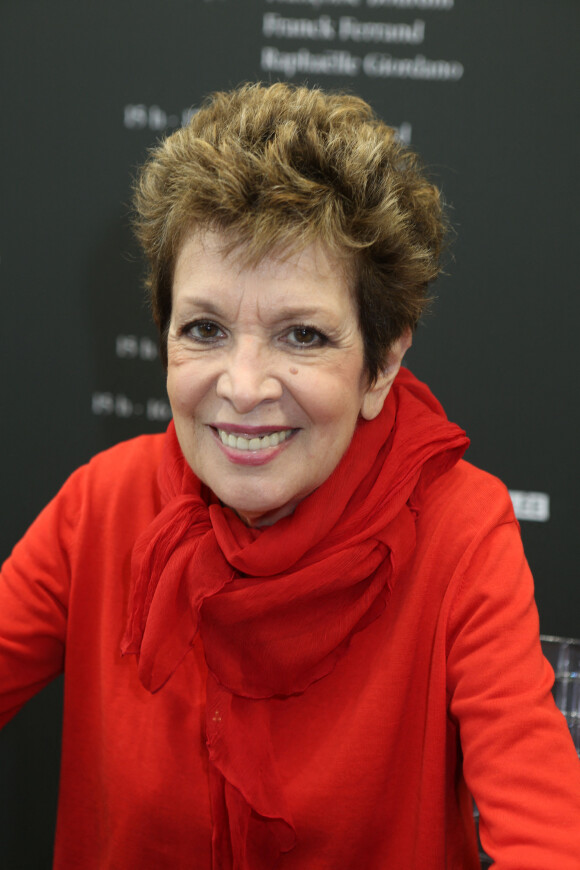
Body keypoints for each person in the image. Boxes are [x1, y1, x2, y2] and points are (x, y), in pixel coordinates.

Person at [1, 82, 579, 870]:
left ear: (383, 362)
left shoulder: (459, 529)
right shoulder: (104, 503)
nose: (242, 386)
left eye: (301, 335)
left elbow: (548, 836)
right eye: (204, 329)